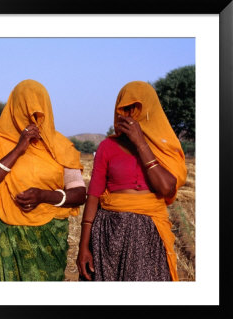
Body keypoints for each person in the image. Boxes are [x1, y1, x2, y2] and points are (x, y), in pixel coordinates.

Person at [0, 79, 86, 281]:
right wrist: (18, 149)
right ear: (13, 109)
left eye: (37, 112)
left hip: (48, 241)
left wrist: (44, 196)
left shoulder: (61, 146)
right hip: (3, 235)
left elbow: (79, 193)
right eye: (25, 111)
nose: (32, 119)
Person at [77, 81, 187, 281]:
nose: (130, 114)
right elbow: (93, 195)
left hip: (148, 235)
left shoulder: (164, 147)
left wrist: (141, 143)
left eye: (137, 108)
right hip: (108, 232)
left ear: (151, 110)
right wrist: (83, 246)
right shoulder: (107, 146)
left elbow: (166, 188)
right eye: (125, 109)